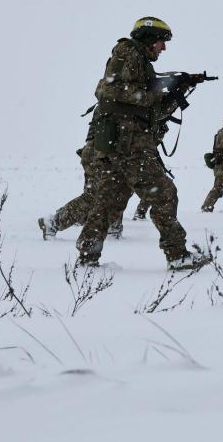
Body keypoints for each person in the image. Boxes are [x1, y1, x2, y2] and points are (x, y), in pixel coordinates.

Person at [75, 16, 199, 269]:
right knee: (164, 194)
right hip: (127, 142)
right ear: (148, 39)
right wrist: (153, 93)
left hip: (123, 142)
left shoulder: (140, 61)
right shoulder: (127, 52)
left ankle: (87, 256)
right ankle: (177, 256)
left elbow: (152, 112)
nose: (163, 49)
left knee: (109, 201)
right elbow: (107, 91)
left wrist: (179, 91)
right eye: (161, 43)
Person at [38, 143, 128, 240]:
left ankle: (111, 228)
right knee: (93, 197)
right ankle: (52, 223)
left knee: (116, 191)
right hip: (101, 156)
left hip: (106, 155)